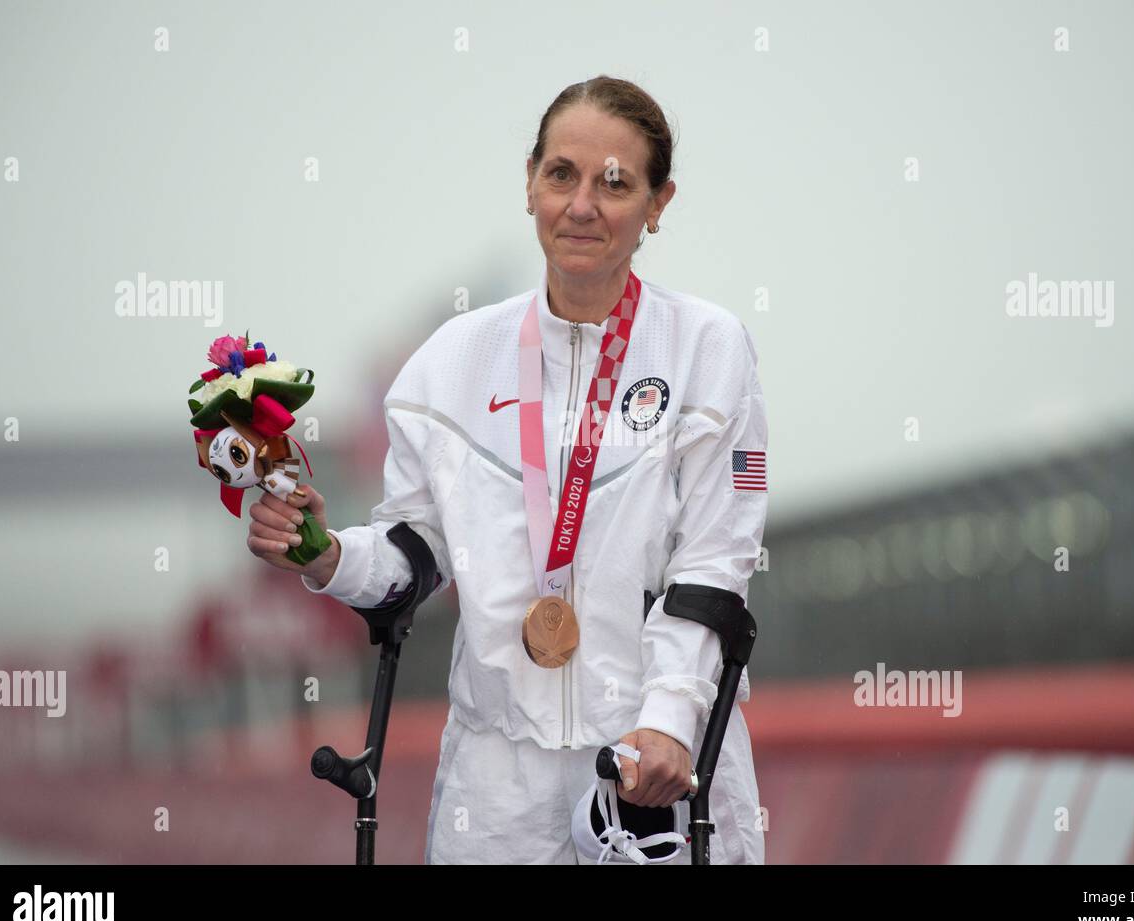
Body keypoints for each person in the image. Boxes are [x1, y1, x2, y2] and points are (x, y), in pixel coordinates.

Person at [246, 76, 769, 864]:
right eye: (562, 174)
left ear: (658, 205)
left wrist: (667, 717)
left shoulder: (706, 347)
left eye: (616, 183)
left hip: (652, 768)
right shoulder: (449, 364)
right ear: (530, 183)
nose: (582, 204)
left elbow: (714, 562)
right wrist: (325, 552)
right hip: (494, 796)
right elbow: (414, 556)